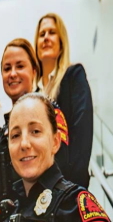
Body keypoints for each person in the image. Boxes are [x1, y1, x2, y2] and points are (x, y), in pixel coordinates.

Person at [0, 93, 113, 222]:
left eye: (35, 131)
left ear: (55, 142)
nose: (24, 143)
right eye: (15, 135)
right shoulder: (8, 214)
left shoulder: (76, 206)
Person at [0, 38, 41, 222]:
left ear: (34, 71)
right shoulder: (2, 134)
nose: (13, 74)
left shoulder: (49, 118)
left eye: (20, 66)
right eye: (7, 68)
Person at [34, 13, 93, 190]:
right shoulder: (33, 95)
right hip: (40, 190)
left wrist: (71, 186)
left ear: (61, 43)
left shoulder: (73, 76)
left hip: (69, 185)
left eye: (52, 32)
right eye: (42, 34)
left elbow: (82, 132)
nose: (46, 38)